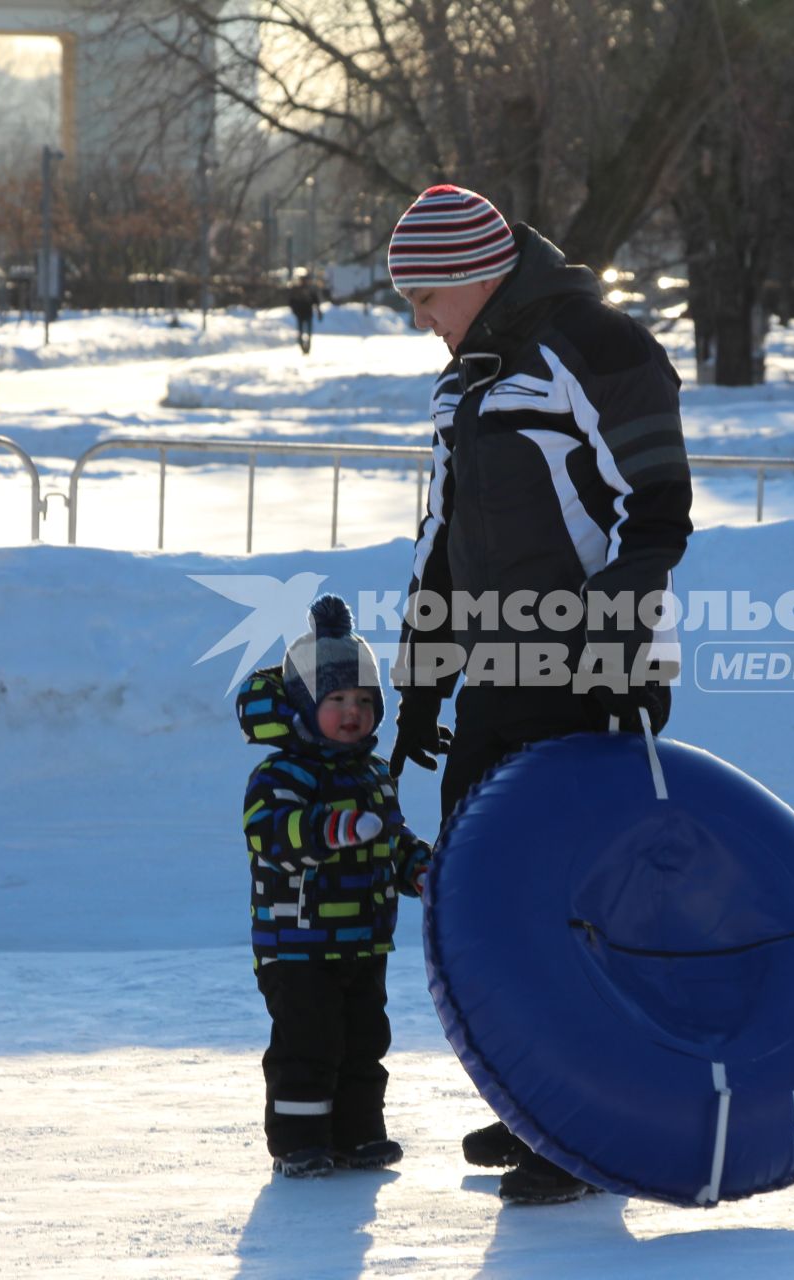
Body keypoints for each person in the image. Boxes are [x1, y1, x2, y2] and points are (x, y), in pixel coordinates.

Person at [384, 184, 693, 1204]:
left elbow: (656, 514)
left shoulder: (593, 345)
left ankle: (588, 1120)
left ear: (476, 276)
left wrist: (609, 639)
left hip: (592, 666)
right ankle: (538, 1095)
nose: (420, 319)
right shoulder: (467, 382)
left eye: (426, 297)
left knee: (574, 896)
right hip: (504, 672)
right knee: (488, 885)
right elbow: (445, 544)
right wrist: (425, 677)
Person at [235, 594, 431, 1179]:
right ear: (302, 705)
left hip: (364, 942)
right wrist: (333, 829)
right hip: (297, 944)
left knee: (365, 1040)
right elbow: (272, 833)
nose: (353, 713)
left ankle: (358, 1134)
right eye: (337, 700)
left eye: (364, 701)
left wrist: (420, 867)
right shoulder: (281, 774)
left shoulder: (371, 773)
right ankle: (298, 1140)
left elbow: (391, 839)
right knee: (309, 1043)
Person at [287, 271, 322, 353]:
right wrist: (294, 310)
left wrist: (318, 311)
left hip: (308, 313)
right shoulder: (296, 290)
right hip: (300, 314)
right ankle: (303, 347)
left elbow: (315, 301)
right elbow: (291, 301)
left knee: (308, 332)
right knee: (301, 332)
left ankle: (308, 347)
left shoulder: (310, 289)